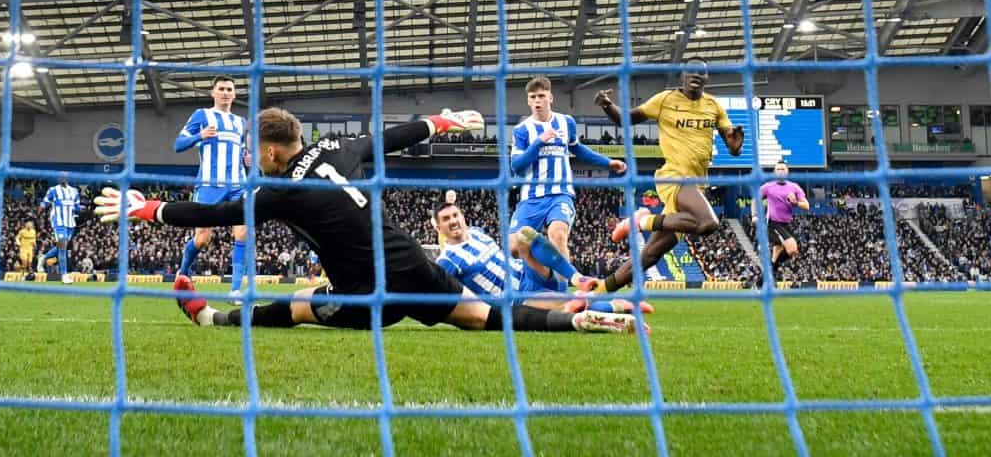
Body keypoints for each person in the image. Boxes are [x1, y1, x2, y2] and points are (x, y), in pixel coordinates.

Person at [95, 108, 638, 334]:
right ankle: (575, 321)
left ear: (271, 152)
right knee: (480, 317)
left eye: (252, 151)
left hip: (368, 292)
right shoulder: (338, 147)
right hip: (412, 263)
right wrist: (441, 120)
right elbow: (390, 139)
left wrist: (147, 208)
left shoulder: (279, 188)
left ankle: (212, 319)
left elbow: (218, 212)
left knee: (301, 305)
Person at [592, 58, 744, 292]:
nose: (695, 76)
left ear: (707, 78)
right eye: (690, 71)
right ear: (681, 75)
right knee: (709, 223)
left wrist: (735, 145)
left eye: (700, 73)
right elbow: (626, 119)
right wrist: (607, 105)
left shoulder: (714, 106)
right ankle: (641, 221)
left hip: (697, 185)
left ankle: (596, 294)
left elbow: (733, 146)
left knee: (651, 255)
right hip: (673, 176)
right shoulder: (665, 100)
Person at [433, 201, 651, 315]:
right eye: (446, 219)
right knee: (568, 306)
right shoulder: (448, 261)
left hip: (527, 272)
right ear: (438, 226)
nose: (453, 221)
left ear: (462, 216)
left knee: (524, 234)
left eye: (455, 215)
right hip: (514, 298)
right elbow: (436, 291)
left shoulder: (478, 232)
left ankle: (576, 278)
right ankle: (620, 306)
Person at [510, 76, 626, 263]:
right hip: (531, 197)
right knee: (515, 248)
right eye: (533, 97)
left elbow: (577, 148)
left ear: (551, 98)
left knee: (558, 235)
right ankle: (542, 276)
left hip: (560, 194)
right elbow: (516, 166)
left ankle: (565, 290)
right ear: (528, 100)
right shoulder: (522, 130)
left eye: (541, 96)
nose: (537, 101)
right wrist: (538, 142)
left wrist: (607, 162)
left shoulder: (566, 122)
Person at [174, 75, 250, 304]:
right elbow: (178, 144)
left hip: (238, 184)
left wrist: (247, 159)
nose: (226, 92)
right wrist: (200, 135)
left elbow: (242, 151)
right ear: (213, 93)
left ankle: (235, 291)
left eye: (229, 89)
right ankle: (184, 271)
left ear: (235, 95)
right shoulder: (202, 115)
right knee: (202, 238)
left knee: (243, 233)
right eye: (222, 89)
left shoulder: (241, 122)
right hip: (209, 184)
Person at [752, 161, 808, 287]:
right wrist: (754, 215)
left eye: (783, 169)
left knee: (775, 258)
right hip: (773, 223)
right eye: (778, 169)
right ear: (775, 172)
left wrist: (796, 203)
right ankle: (769, 275)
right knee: (792, 249)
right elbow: (755, 199)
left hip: (787, 224)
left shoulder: (794, 187)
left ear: (787, 171)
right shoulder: (768, 187)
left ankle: (760, 283)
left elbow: (807, 205)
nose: (781, 171)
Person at [39, 174, 82, 284]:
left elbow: (77, 207)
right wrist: (41, 208)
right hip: (58, 222)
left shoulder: (74, 191)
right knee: (62, 247)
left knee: (62, 247)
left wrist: (81, 209)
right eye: (60, 177)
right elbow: (45, 201)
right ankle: (64, 275)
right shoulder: (53, 190)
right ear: (58, 179)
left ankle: (43, 257)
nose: (63, 179)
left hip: (70, 223)